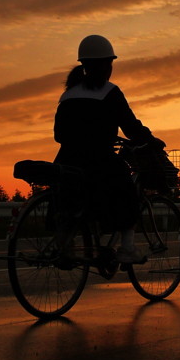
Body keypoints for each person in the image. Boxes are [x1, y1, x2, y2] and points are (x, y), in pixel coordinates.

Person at [54, 34, 162, 265]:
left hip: (66, 160)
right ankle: (127, 247)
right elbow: (131, 127)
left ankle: (67, 242)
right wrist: (151, 139)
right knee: (128, 193)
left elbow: (59, 135)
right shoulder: (110, 92)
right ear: (105, 64)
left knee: (73, 197)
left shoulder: (67, 95)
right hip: (98, 161)